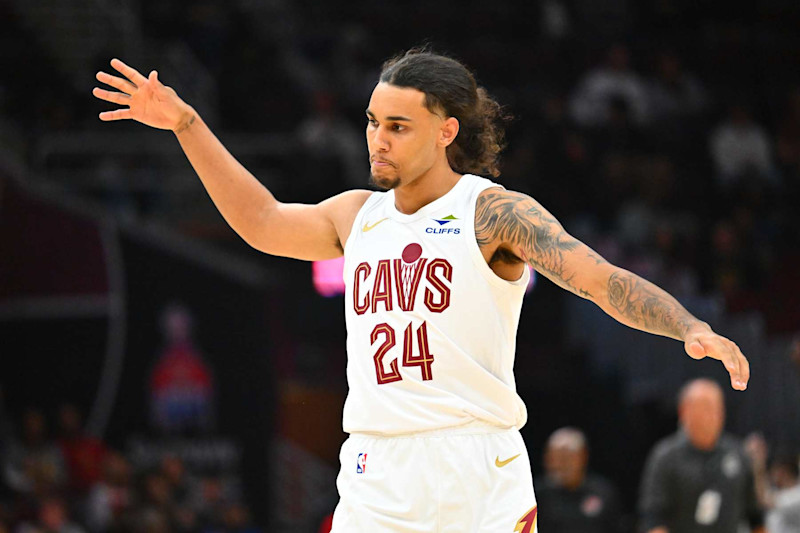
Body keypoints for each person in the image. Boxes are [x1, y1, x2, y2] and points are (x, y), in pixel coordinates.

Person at [93, 48, 751, 532]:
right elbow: (262, 221)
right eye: (374, 121)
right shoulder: (357, 215)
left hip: (475, 461)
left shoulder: (492, 212)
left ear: (446, 131)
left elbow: (598, 278)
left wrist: (686, 324)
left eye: (398, 126)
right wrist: (187, 126)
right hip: (378, 465)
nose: (378, 138)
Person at [638, 378, 764, 533]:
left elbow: (755, 517)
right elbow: (654, 518)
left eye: (718, 406)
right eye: (706, 406)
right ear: (684, 411)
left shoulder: (738, 453)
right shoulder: (665, 457)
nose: (714, 413)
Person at [535, 427, 624, 533]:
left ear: (583, 456)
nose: (562, 465)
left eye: (567, 458)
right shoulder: (538, 495)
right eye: (556, 458)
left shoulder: (603, 492)